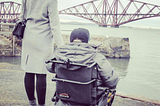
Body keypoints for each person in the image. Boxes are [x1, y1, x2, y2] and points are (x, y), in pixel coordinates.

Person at [47, 28, 119, 106]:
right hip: (91, 101)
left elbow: (49, 67)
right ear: (87, 41)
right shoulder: (97, 57)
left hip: (64, 99)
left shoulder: (59, 54)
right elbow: (112, 82)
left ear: (71, 40)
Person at [20, 0, 64, 106]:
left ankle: (32, 103)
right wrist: (62, 47)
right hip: (43, 38)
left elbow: (22, 16)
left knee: (29, 71)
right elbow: (55, 25)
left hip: (29, 35)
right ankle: (41, 105)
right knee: (41, 73)